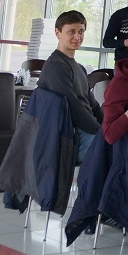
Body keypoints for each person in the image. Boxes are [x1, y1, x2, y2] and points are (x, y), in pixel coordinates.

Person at [37, 10, 104, 163]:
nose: (77, 37)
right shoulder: (56, 67)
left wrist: (108, 126)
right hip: (70, 134)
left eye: (81, 31)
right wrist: (100, 131)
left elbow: (93, 105)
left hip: (85, 130)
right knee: (120, 151)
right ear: (58, 33)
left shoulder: (79, 68)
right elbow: (74, 108)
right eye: (71, 32)